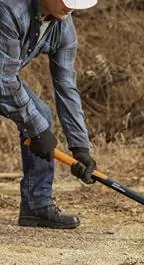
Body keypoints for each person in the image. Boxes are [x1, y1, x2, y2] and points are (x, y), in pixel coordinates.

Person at [0, 0, 98, 229]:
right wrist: (37, 130)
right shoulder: (9, 10)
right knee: (37, 122)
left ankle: (37, 205)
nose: (71, 7)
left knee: (39, 116)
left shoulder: (63, 25)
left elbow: (66, 87)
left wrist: (80, 147)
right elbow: (3, 81)